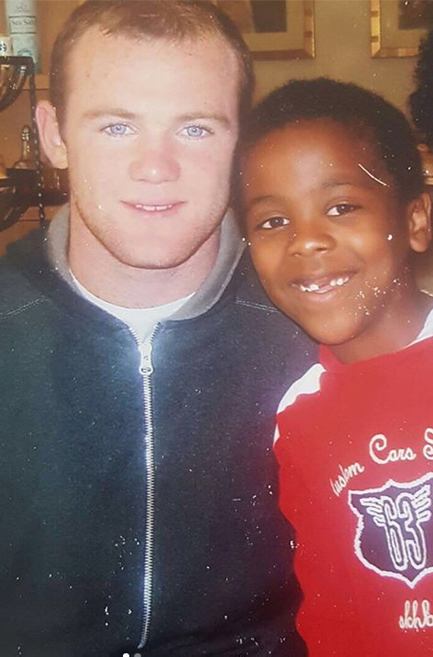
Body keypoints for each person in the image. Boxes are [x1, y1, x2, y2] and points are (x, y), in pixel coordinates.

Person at [0, 2, 313, 655]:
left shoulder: (311, 326)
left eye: (196, 128)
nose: (155, 166)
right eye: (116, 126)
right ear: (53, 134)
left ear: (240, 143)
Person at [235, 77, 433, 656]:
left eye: (341, 208)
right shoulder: (297, 416)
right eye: (273, 221)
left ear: (416, 220)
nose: (306, 241)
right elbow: (331, 610)